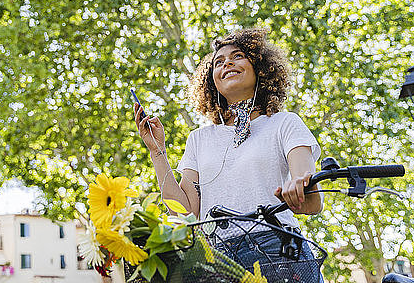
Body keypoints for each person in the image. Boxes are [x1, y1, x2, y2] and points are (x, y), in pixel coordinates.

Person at [134, 28, 324, 281]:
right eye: (218, 62)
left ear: (260, 68)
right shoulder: (199, 139)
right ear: (211, 80)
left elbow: (312, 202)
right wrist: (158, 151)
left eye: (238, 56)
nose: (227, 63)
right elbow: (183, 212)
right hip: (216, 259)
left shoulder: (285, 124)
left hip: (277, 250)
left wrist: (299, 186)